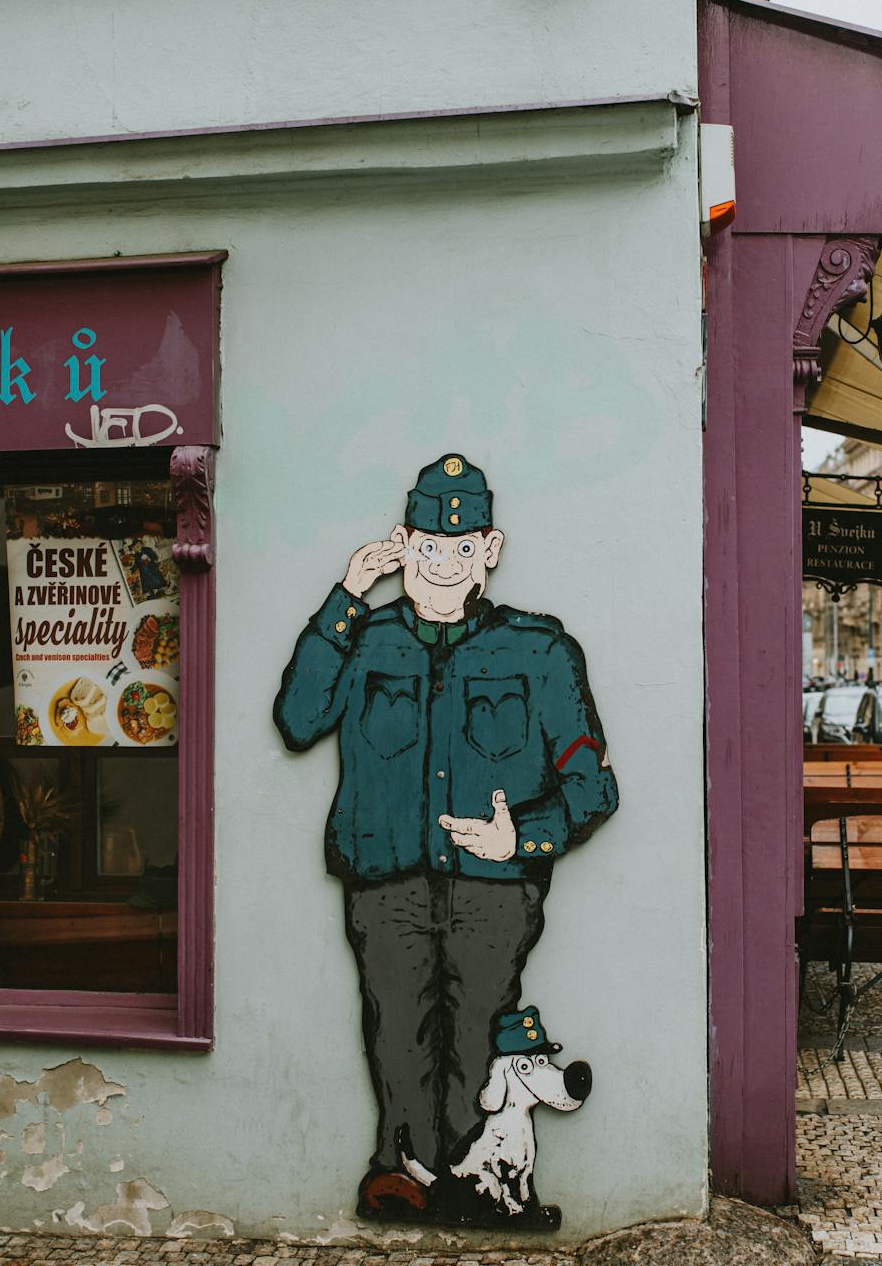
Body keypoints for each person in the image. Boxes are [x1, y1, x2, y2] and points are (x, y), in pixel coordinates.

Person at [273, 453, 619, 1229]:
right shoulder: (364, 638)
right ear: (403, 544)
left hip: (492, 889)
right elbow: (297, 721)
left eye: (463, 548)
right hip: (384, 877)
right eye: (428, 544)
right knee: (395, 1028)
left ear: (489, 550)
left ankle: (473, 1181)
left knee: (475, 1032)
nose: (443, 564)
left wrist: (521, 840)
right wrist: (346, 596)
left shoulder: (539, 650)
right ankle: (402, 1172)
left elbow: (595, 787)